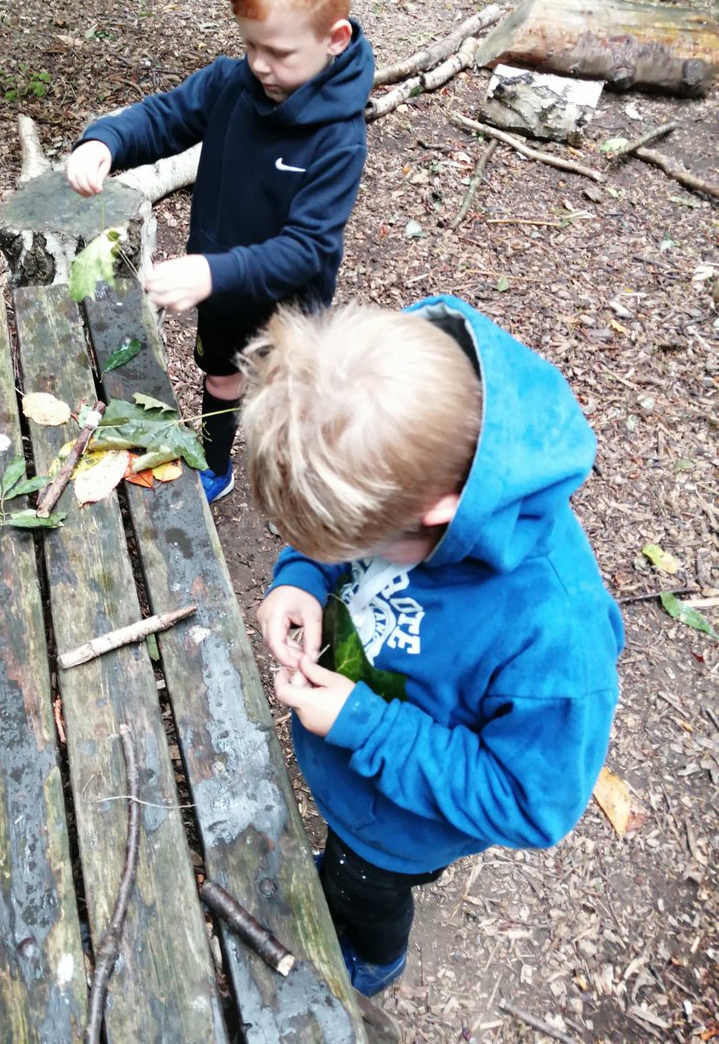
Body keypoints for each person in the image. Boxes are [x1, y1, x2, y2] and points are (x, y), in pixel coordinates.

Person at [239, 296, 624, 998]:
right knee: (345, 863)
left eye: (356, 548)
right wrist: (300, 576)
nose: (346, 559)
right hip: (357, 766)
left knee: (365, 890)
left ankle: (374, 959)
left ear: (439, 513)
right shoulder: (400, 444)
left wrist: (365, 726)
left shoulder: (554, 636)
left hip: (401, 829)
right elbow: (341, 535)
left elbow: (530, 803)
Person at [66, 0, 375, 503]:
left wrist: (213, 271)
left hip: (290, 309)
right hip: (222, 290)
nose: (260, 65)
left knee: (289, 396)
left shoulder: (339, 138)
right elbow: (165, 116)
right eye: (250, 45)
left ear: (334, 39)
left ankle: (298, 485)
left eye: (279, 53)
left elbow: (307, 247)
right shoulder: (234, 83)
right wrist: (106, 140)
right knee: (222, 375)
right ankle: (215, 464)